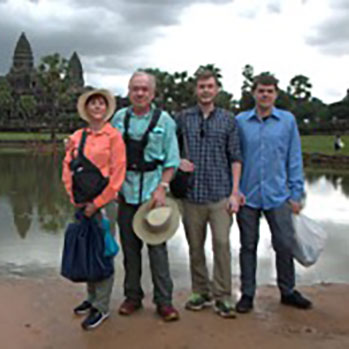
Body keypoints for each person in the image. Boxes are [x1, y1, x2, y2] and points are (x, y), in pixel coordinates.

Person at [235, 74, 312, 313]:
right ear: (254, 93)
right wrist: (233, 190)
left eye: (269, 91)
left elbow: (294, 158)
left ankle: (287, 290)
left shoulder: (287, 121)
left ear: (276, 94)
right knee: (247, 246)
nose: (265, 95)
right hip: (247, 194)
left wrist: (296, 194)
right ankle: (247, 293)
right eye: (261, 90)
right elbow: (234, 158)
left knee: (284, 244)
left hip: (279, 194)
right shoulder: (240, 121)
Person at [111, 71, 180, 322]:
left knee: (157, 250)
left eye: (144, 89)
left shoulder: (165, 120)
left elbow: (172, 160)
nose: (139, 93)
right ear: (129, 91)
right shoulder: (119, 118)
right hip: (126, 193)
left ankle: (164, 301)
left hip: (153, 194)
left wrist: (162, 187)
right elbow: (109, 155)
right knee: (130, 251)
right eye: (135, 89)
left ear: (152, 93)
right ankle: (132, 297)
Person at [175, 69, 242, 318]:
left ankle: (223, 295)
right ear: (196, 89)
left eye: (210, 86)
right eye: (201, 86)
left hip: (220, 193)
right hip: (191, 195)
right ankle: (200, 291)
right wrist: (178, 160)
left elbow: (236, 157)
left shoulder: (228, 119)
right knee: (195, 246)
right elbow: (169, 148)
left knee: (222, 245)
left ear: (217, 90)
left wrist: (235, 192)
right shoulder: (182, 119)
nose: (205, 90)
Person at [62, 89, 126, 330]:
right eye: (93, 104)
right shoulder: (78, 137)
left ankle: (102, 306)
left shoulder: (114, 137)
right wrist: (74, 198)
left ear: (106, 109)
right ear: (87, 109)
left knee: (103, 251)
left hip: (105, 203)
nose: (97, 107)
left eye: (101, 103)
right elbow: (68, 166)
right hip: (80, 202)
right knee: (87, 249)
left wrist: (97, 204)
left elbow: (118, 175)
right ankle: (91, 298)